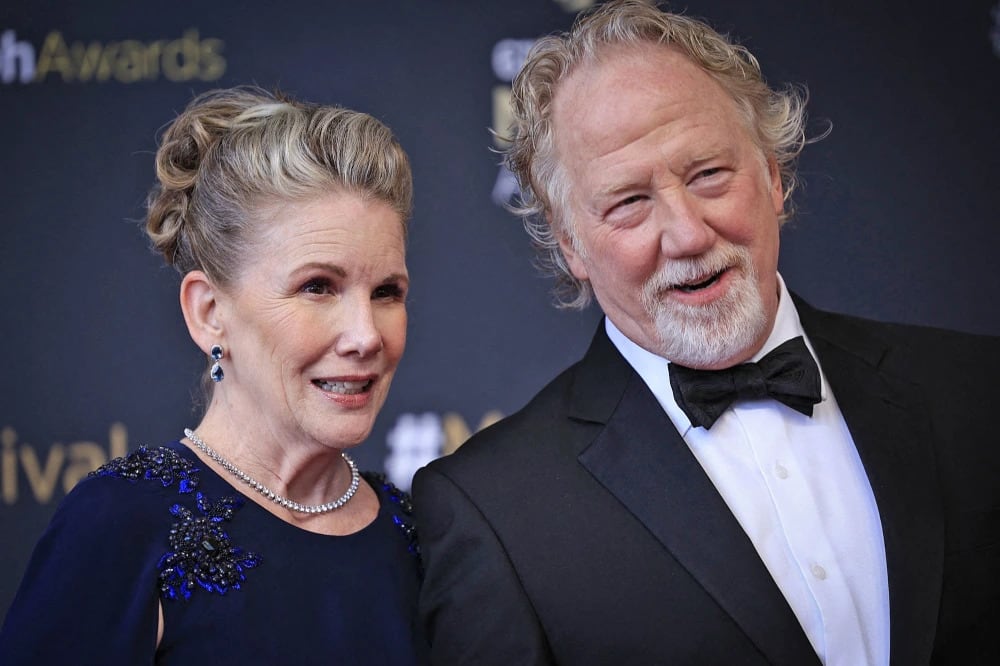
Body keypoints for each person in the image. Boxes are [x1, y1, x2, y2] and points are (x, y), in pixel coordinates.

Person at [412, 1, 999, 664]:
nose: (688, 234)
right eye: (629, 202)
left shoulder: (978, 395)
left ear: (773, 175)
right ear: (570, 242)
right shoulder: (496, 512)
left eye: (709, 174)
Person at [0, 87, 427, 664]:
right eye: (317, 287)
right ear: (209, 312)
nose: (366, 335)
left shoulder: (420, 535)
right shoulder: (120, 525)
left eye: (386, 292)